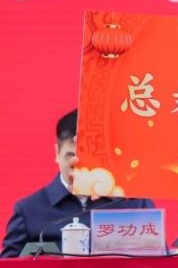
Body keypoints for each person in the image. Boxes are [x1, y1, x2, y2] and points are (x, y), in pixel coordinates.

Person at [1, 110, 154, 257]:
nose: (77, 165)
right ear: (57, 153)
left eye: (87, 157)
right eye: (70, 156)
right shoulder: (29, 210)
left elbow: (158, 266)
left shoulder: (136, 204)